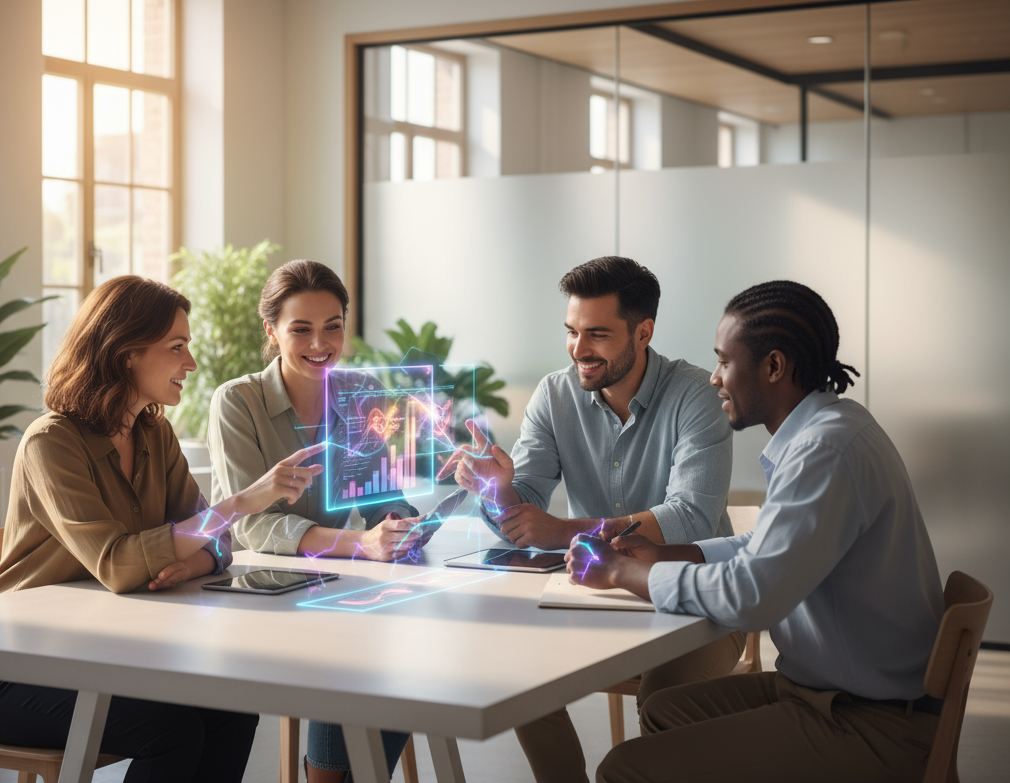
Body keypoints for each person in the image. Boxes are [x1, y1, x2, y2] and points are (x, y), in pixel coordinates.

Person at [570, 280, 945, 783]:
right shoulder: (830, 428)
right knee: (664, 709)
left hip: (866, 720)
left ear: (773, 366)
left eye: (725, 362)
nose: (714, 379)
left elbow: (754, 596)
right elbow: (766, 548)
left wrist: (621, 572)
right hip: (829, 692)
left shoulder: (824, 452)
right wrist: (666, 553)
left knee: (624, 767)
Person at [0, 275, 323, 783]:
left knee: (233, 709)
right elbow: (117, 565)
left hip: (101, 656)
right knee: (171, 731)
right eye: (177, 347)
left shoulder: (154, 431)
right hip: (19, 673)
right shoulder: (51, 443)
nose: (191, 363)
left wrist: (190, 558)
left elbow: (217, 541)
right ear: (126, 352)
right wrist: (244, 501)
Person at [450, 256, 741, 783]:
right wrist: (499, 490)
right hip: (591, 599)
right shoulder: (555, 395)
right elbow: (526, 510)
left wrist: (564, 530)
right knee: (521, 676)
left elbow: (693, 517)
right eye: (571, 332)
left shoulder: (697, 395)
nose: (579, 349)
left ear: (643, 331)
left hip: (701, 604)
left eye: (597, 335)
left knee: (662, 698)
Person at [207, 259, 419, 783]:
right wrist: (361, 544)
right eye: (300, 328)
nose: (319, 343)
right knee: (347, 634)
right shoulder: (238, 401)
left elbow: (380, 501)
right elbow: (252, 526)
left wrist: (397, 523)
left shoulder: (364, 395)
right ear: (272, 331)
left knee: (402, 633)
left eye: (333, 326)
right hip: (255, 592)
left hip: (327, 582)